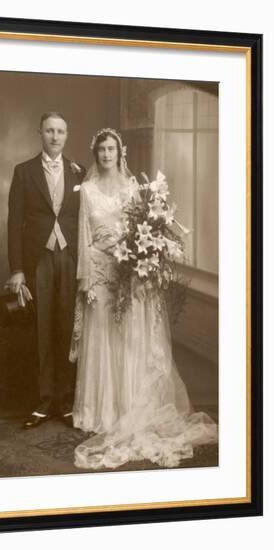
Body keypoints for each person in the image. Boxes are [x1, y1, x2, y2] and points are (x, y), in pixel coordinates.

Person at [70, 128, 218, 469]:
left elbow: (142, 232)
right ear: (96, 154)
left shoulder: (133, 188)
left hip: (128, 275)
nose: (107, 154)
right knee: (103, 340)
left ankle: (128, 408)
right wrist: (86, 281)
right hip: (100, 274)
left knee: (128, 341)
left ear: (120, 152)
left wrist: (143, 266)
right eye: (102, 149)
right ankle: (101, 412)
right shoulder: (88, 191)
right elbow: (84, 236)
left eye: (112, 149)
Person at [6, 112, 86, 429]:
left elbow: (86, 217)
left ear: (67, 136)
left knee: (67, 327)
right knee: (42, 329)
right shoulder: (23, 172)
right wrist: (17, 270)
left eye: (61, 131)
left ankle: (65, 402)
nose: (55, 136)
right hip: (38, 258)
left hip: (70, 256)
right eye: (50, 130)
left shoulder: (78, 171)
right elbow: (14, 224)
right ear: (39, 133)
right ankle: (43, 400)